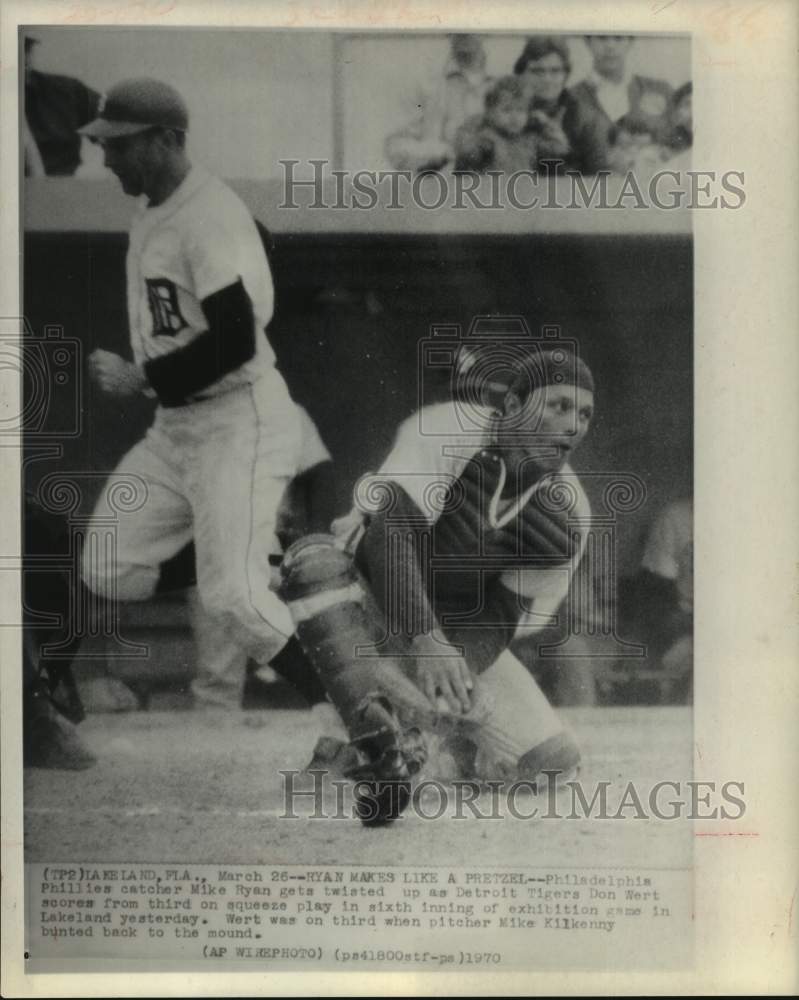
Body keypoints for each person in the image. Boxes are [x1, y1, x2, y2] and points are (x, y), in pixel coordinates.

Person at [281, 344, 596, 821]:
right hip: (368, 605)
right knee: (313, 566)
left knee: (550, 765)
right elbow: (389, 535)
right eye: (559, 406)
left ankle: (440, 753)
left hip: (450, 633)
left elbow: (504, 615)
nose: (574, 425)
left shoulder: (567, 513)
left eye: (585, 414)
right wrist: (426, 641)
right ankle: (356, 739)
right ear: (511, 405)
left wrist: (456, 678)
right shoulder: (447, 429)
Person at [78, 78, 308, 692]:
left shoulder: (209, 215)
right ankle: (258, 553)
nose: (107, 157)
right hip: (176, 428)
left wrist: (140, 376)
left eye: (121, 145)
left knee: (233, 599)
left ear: (168, 140)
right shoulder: (155, 205)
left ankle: (358, 706)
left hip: (237, 419)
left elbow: (236, 340)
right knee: (106, 567)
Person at [385, 34, 493, 173]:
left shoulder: (508, 78)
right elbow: (395, 147)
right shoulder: (426, 81)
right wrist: (444, 153)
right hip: (439, 187)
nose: (465, 29)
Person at [513, 36, 608, 175]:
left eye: (555, 71)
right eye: (537, 71)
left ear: (566, 75)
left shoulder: (587, 120)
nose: (547, 80)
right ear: (522, 74)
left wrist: (566, 153)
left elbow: (601, 181)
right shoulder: (505, 111)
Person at [571, 36, 673, 146]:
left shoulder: (660, 90)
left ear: (630, 41)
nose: (610, 46)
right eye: (601, 38)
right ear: (587, 42)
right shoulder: (571, 98)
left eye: (618, 38)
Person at [24, 35, 101, 177]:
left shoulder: (68, 93)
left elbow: (119, 124)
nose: (21, 59)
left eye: (26, 49)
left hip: (62, 190)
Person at [453, 75, 538, 174]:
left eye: (520, 110)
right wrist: (473, 127)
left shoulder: (530, 139)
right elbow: (466, 154)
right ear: (490, 112)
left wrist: (545, 125)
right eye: (507, 110)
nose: (514, 117)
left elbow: (557, 151)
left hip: (525, 186)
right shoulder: (487, 140)